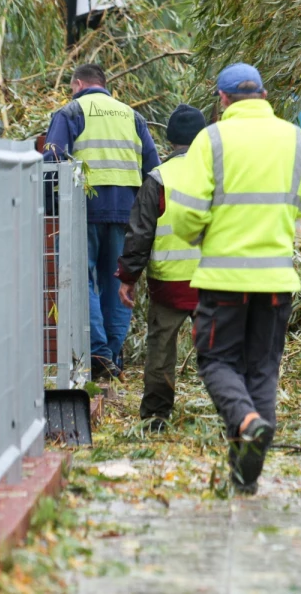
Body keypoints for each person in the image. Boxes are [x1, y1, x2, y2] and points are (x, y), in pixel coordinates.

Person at [165, 63, 301, 494]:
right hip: (276, 281)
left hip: (224, 279)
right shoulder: (295, 139)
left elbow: (186, 212)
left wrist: (201, 235)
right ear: (264, 96)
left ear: (223, 99)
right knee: (262, 369)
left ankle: (248, 422)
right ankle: (246, 471)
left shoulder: (211, 140)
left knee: (216, 362)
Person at [44, 63, 161, 380]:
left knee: (83, 281)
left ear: (78, 84)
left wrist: (49, 208)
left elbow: (53, 161)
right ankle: (112, 356)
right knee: (118, 282)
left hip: (84, 209)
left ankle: (98, 352)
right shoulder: (133, 117)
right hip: (127, 214)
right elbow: (154, 169)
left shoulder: (71, 112)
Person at [114, 104, 206, 431]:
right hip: (215, 282)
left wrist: (128, 277)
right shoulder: (219, 175)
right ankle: (235, 414)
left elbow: (140, 233)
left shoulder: (158, 178)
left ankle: (155, 418)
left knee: (160, 352)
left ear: (170, 141)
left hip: (169, 284)